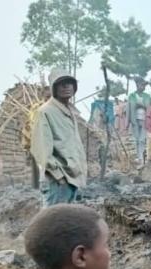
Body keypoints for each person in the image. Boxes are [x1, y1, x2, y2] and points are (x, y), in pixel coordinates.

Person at [31, 69, 87, 206]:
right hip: (58, 180)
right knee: (51, 223)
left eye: (69, 83)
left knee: (64, 222)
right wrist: (59, 176)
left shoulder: (70, 111)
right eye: (61, 84)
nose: (66, 87)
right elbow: (42, 149)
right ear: (54, 88)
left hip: (72, 176)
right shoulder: (45, 112)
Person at [128, 78, 151, 164]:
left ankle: (141, 157)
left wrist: (142, 105)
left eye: (144, 86)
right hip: (135, 119)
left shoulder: (147, 96)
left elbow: (149, 107)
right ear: (137, 85)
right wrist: (128, 122)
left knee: (142, 139)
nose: (143, 87)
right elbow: (129, 109)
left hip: (144, 119)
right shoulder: (131, 96)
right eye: (142, 85)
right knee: (136, 139)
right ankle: (139, 157)